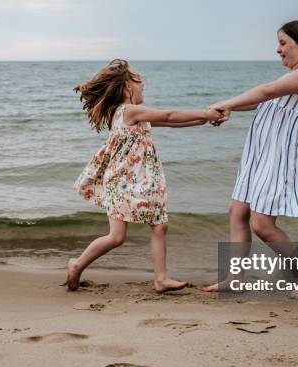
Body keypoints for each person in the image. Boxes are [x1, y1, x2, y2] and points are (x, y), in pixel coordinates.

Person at [205, 20, 298, 298]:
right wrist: (230, 109)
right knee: (237, 212)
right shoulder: (290, 79)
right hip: (258, 155)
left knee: (262, 225)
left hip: (278, 159)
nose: (278, 49)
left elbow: (265, 92)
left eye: (283, 43)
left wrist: (225, 103)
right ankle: (236, 278)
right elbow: (262, 101)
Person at [66, 59, 222, 293]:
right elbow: (169, 115)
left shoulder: (126, 114)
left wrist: (204, 119)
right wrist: (205, 113)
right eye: (140, 81)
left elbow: (170, 123)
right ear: (128, 87)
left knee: (147, 229)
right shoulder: (130, 111)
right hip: (128, 182)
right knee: (129, 233)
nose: (144, 85)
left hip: (127, 181)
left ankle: (160, 279)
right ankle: (78, 264)